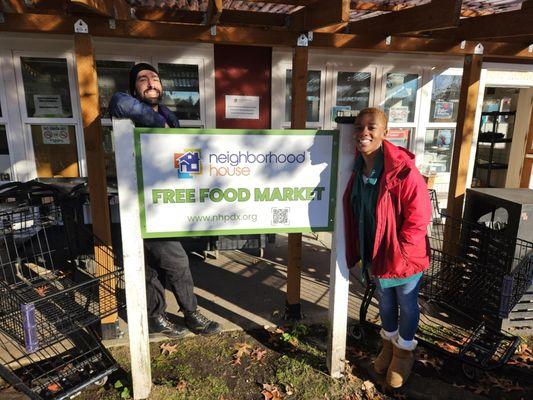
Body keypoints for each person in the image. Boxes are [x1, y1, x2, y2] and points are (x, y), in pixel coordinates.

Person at [109, 63, 220, 337]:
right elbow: (120, 104)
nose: (150, 83)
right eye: (142, 79)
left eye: (155, 79)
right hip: (143, 204)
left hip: (165, 201)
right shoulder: (128, 105)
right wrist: (161, 126)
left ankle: (156, 316)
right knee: (177, 261)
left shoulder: (171, 115)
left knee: (151, 267)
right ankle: (192, 314)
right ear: (133, 87)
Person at [343, 108, 431, 388]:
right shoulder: (357, 167)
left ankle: (404, 353)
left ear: (385, 132)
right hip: (375, 253)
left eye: (371, 127)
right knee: (385, 302)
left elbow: (419, 217)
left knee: (406, 302)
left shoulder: (403, 170)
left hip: (403, 255)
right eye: (359, 127)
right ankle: (389, 347)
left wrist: (401, 252)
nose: (363, 132)